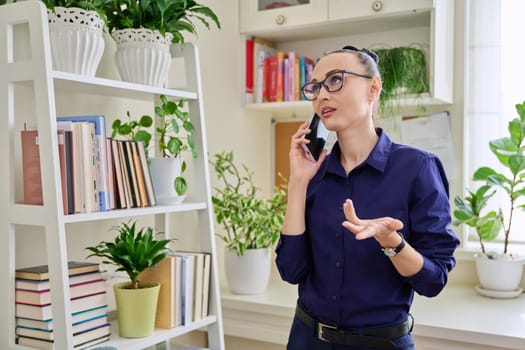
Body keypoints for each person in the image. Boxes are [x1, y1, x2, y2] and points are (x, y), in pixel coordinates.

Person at [275, 46, 460, 350]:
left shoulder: (417, 168)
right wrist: (298, 181)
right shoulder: (313, 173)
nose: (322, 95)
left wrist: (392, 241)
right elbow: (290, 270)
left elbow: (433, 280)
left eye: (335, 80)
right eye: (316, 86)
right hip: (306, 339)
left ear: (373, 88)